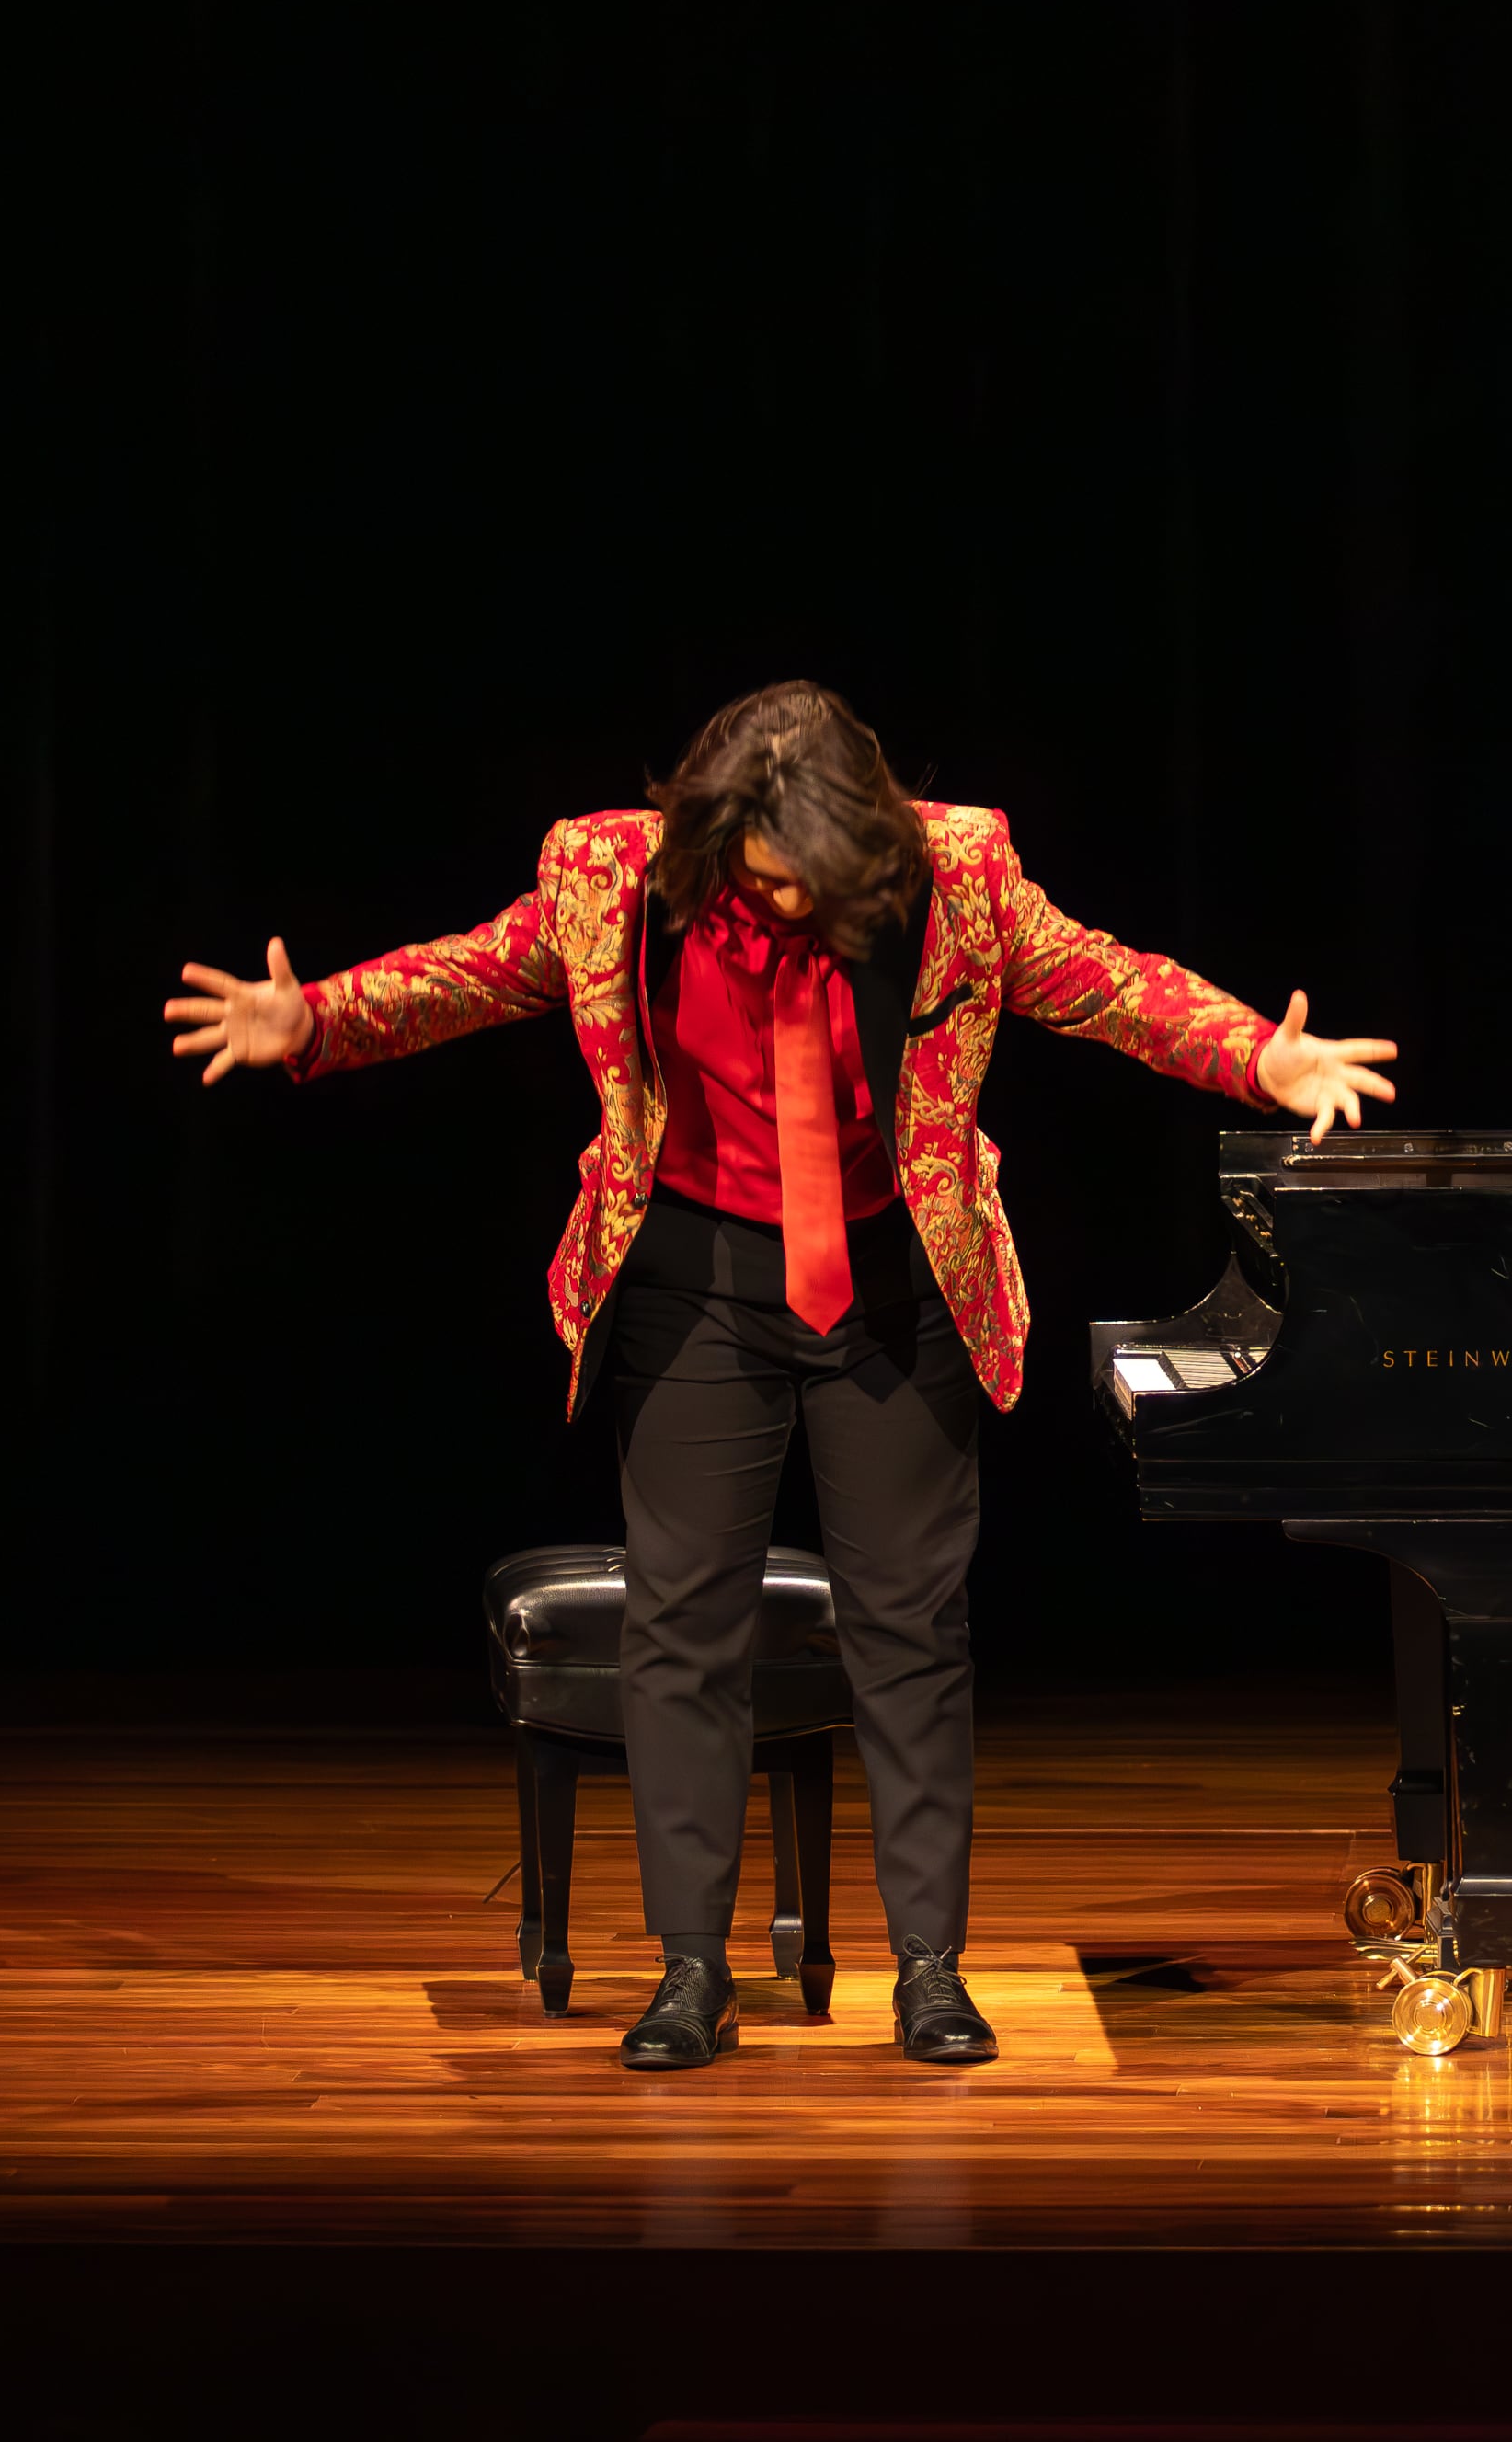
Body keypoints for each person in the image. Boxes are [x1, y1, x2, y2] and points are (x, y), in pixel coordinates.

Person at [164, 682, 1399, 2071]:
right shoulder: (610, 876)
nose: (795, 906)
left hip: (893, 1279)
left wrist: (1259, 1054)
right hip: (695, 1283)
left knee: (912, 1626)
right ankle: (692, 1970)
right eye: (765, 882)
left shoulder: (959, 869)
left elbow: (1107, 983)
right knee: (684, 1623)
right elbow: (479, 972)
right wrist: (314, 1021)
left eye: (821, 881)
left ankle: (930, 1969)